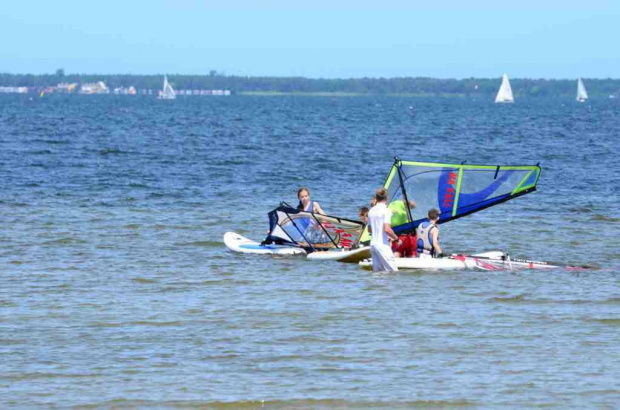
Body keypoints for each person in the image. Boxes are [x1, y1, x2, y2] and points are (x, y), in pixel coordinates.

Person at [367, 188, 400, 272]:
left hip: (373, 245)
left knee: (378, 273)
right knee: (393, 272)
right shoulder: (386, 211)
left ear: (376, 198)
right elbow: (387, 229)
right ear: (387, 197)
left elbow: (370, 230)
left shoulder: (371, 211)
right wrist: (397, 239)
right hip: (382, 245)